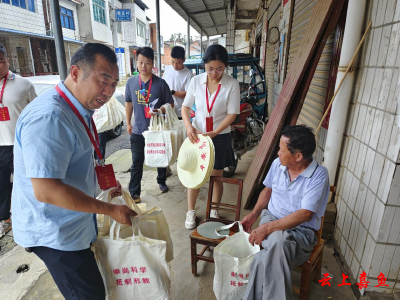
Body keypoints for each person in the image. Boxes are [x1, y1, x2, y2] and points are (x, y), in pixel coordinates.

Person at [12, 43, 137, 300]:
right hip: (55, 231)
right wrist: (111, 210)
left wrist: (101, 187)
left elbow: (70, 162)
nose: (108, 92)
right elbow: (46, 190)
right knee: (89, 294)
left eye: (114, 84)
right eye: (103, 81)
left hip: (73, 222)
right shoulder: (50, 116)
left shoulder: (78, 107)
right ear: (76, 72)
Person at [241, 125, 330, 300]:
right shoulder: (278, 165)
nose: (278, 153)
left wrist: (267, 229)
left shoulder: (319, 175)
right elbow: (267, 191)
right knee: (277, 244)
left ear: (298, 156)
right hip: (271, 218)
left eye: (282, 150)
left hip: (301, 232)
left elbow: (305, 214)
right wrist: (253, 214)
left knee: (268, 253)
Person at [181, 44, 240, 229]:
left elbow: (232, 114)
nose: (214, 73)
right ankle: (191, 211)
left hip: (220, 135)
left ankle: (214, 209)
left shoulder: (232, 84)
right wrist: (189, 126)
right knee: (194, 174)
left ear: (226, 66)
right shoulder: (195, 81)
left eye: (220, 68)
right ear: (204, 65)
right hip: (197, 136)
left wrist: (215, 131)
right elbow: (185, 107)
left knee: (217, 175)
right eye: (210, 68)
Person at [125, 47, 174, 202]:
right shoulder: (131, 82)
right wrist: (128, 123)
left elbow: (171, 104)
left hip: (156, 130)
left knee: (160, 157)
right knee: (136, 162)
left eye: (147, 62)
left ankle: (161, 181)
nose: (143, 66)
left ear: (153, 64)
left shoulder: (160, 83)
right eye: (141, 62)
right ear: (136, 63)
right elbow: (128, 103)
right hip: (138, 130)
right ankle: (134, 191)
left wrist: (160, 109)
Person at [0, 43, 36, 237]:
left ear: (7, 61)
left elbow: (36, 113)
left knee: (26, 184)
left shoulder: (23, 84)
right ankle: (5, 220)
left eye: (0, 61)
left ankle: (31, 218)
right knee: (2, 186)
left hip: (20, 144)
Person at [163, 46, 194, 119]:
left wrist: (172, 92)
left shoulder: (188, 75)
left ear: (184, 60)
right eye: (173, 62)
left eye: (178, 63)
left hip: (181, 112)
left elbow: (187, 93)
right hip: (167, 110)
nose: (175, 65)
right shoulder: (167, 69)